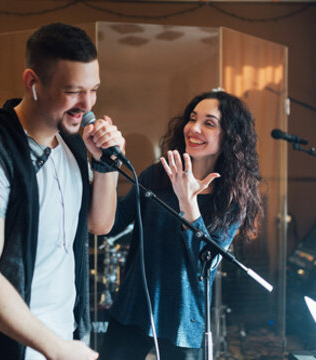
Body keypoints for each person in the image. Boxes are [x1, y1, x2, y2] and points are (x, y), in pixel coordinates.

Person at [0, 23, 124, 360]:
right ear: (32, 82)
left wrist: (105, 166)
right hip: (0, 349)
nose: (87, 105)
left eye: (94, 89)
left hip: (63, 342)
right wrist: (55, 348)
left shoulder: (72, 147)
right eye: (73, 91)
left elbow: (99, 225)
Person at [98, 91, 263, 360]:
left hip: (185, 319)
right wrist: (104, 170)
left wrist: (188, 200)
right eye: (192, 118)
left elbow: (205, 263)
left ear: (230, 138)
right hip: (134, 307)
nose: (193, 128)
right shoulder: (156, 175)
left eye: (209, 123)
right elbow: (112, 223)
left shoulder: (232, 199)